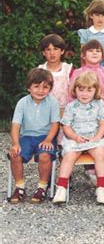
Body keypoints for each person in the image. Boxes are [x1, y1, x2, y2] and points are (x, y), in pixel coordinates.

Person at [52, 72, 104, 204]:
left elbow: (103, 123)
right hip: (75, 138)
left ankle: (101, 187)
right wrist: (75, 137)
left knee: (101, 154)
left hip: (93, 137)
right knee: (68, 156)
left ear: (96, 90)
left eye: (89, 90)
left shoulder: (99, 104)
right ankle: (61, 187)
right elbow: (66, 126)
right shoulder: (71, 106)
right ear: (75, 90)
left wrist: (97, 137)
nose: (84, 93)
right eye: (81, 89)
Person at [8, 68, 60, 204]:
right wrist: (15, 143)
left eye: (45, 87)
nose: (40, 90)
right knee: (15, 154)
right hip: (26, 137)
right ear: (29, 87)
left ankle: (42, 187)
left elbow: (55, 124)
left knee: (45, 155)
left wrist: (49, 139)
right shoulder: (22, 103)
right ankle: (20, 187)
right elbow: (15, 126)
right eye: (36, 86)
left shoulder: (52, 102)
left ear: (50, 89)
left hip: (45, 137)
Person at [69, 40, 104, 115]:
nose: (94, 53)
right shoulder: (77, 72)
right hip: (80, 111)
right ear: (83, 55)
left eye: (98, 51)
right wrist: (73, 111)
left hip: (101, 111)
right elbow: (71, 93)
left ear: (102, 56)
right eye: (90, 50)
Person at [38, 34, 74, 117]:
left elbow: (74, 90)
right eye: (48, 49)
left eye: (55, 49)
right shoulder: (40, 70)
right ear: (43, 52)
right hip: (45, 110)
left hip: (66, 111)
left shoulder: (68, 69)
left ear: (62, 51)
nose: (52, 53)